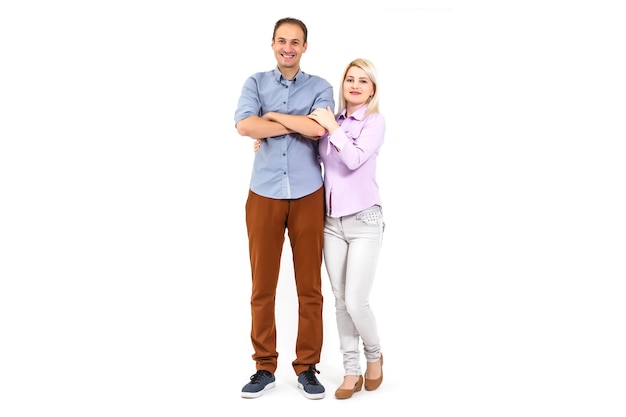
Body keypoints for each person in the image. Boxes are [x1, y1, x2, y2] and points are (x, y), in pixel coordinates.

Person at [234, 17, 334, 400]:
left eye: (295, 41)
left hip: (309, 193)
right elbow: (245, 127)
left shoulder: (320, 86)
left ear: (305, 46)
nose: (288, 47)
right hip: (264, 193)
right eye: (282, 40)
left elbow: (319, 130)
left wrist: (270, 117)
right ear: (272, 44)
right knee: (263, 286)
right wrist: (295, 121)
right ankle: (264, 366)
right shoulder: (254, 83)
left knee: (310, 286)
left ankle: (307, 366)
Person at [307, 58, 385, 400]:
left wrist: (330, 127)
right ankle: (350, 371)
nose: (354, 85)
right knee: (340, 301)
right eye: (350, 79)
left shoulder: (374, 121)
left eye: (362, 81)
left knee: (356, 301)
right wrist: (265, 143)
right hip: (331, 223)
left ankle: (374, 354)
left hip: (365, 220)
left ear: (372, 89)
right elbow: (313, 154)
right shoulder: (331, 121)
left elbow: (353, 159)